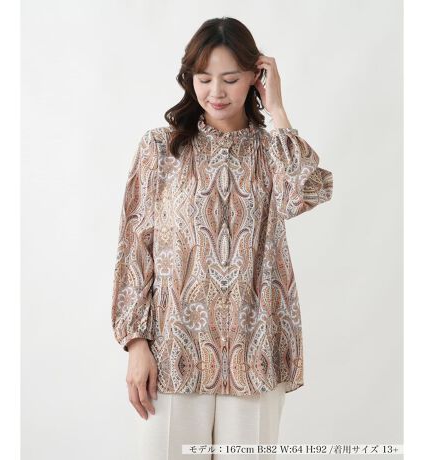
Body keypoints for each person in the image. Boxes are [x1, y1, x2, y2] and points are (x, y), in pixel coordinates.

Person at [111, 17, 333, 460]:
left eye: (231, 79)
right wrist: (136, 344)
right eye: (204, 78)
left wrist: (278, 110)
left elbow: (306, 192)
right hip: (173, 350)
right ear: (189, 78)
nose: (216, 91)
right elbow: (134, 248)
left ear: (254, 77)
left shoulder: (271, 152)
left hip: (255, 348)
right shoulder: (160, 149)